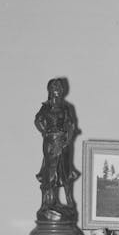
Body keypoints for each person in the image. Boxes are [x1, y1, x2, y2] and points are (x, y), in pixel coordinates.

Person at [34, 77, 80, 218]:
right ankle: (47, 203)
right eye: (55, 88)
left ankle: (68, 202)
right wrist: (45, 131)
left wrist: (68, 137)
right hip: (51, 143)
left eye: (60, 88)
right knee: (50, 171)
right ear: (50, 90)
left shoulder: (66, 108)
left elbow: (71, 124)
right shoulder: (46, 107)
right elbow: (38, 120)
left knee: (64, 171)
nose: (58, 90)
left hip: (63, 143)